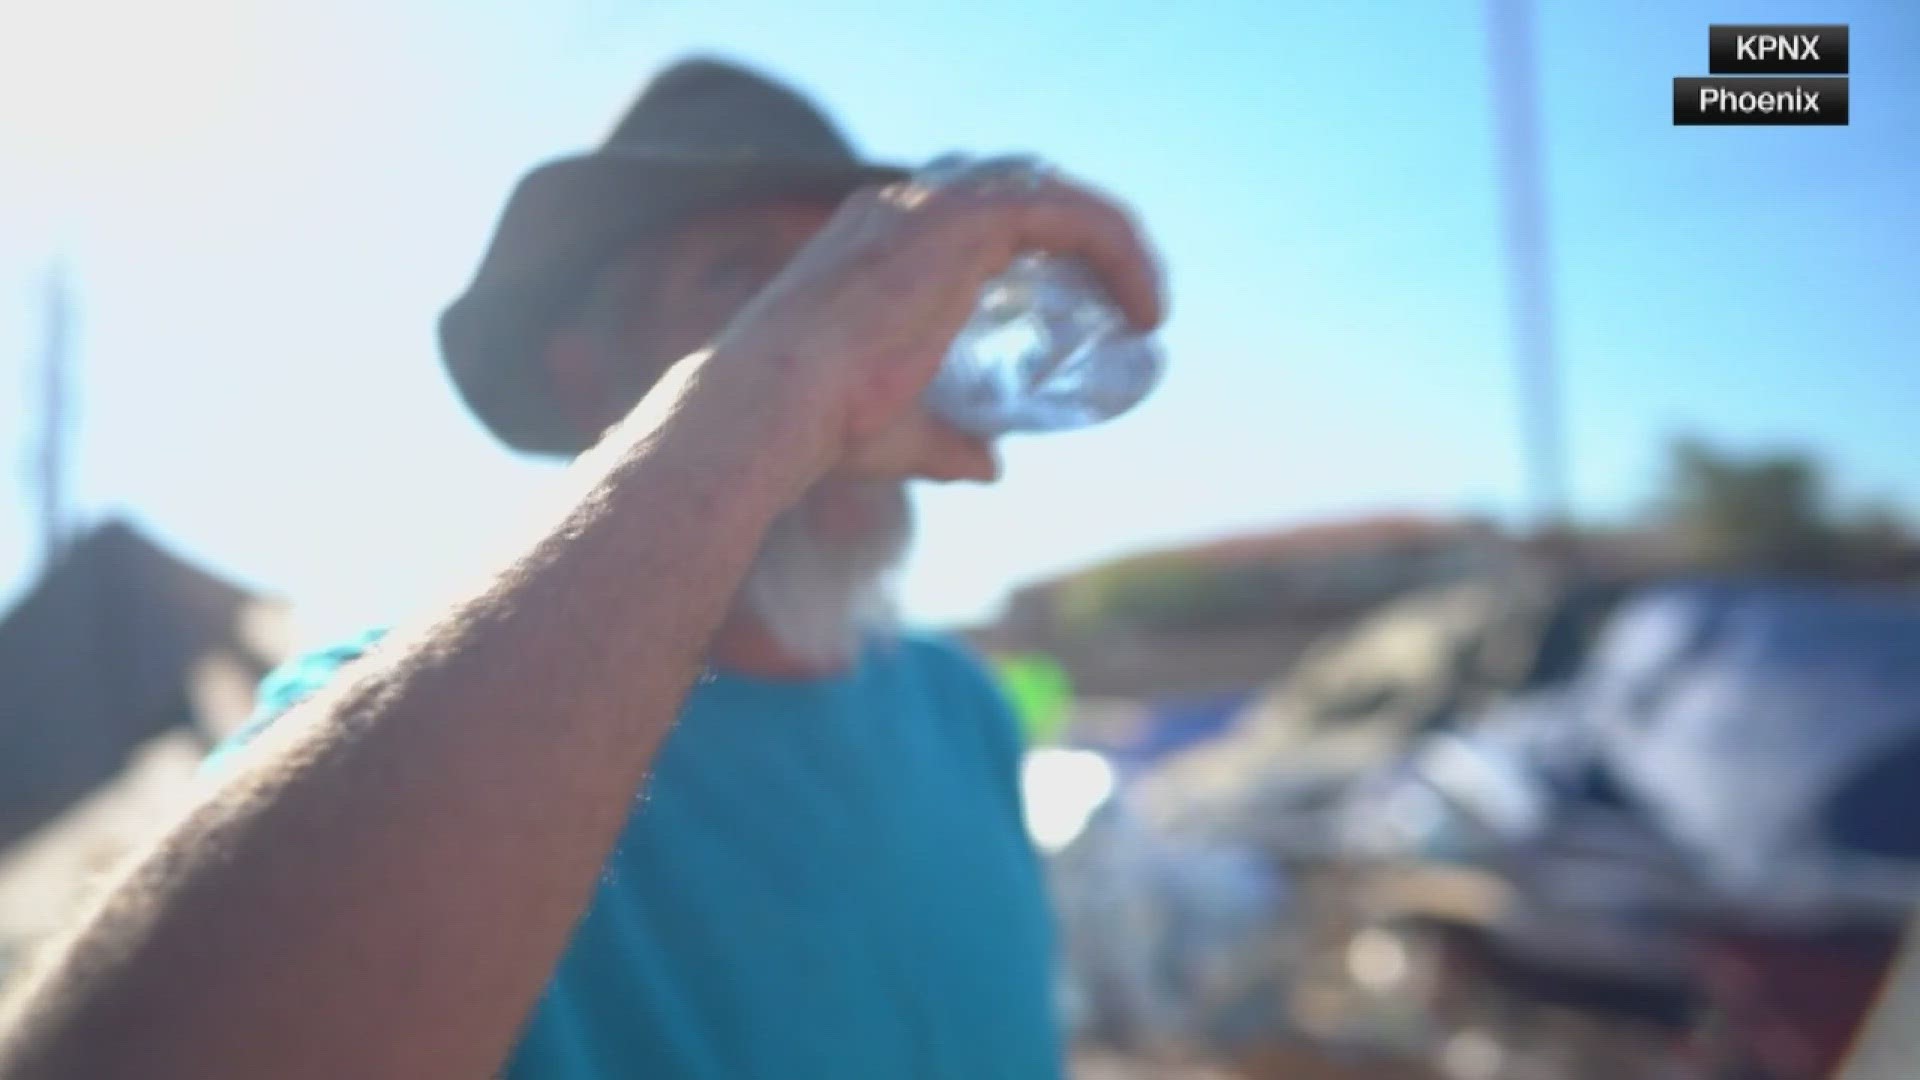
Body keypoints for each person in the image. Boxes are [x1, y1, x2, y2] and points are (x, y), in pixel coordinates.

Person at [0, 57, 1163, 1079]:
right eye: (742, 281)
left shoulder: (955, 706)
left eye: (858, 286)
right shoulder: (408, 722)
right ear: (585, 381)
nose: (852, 339)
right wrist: (771, 397)